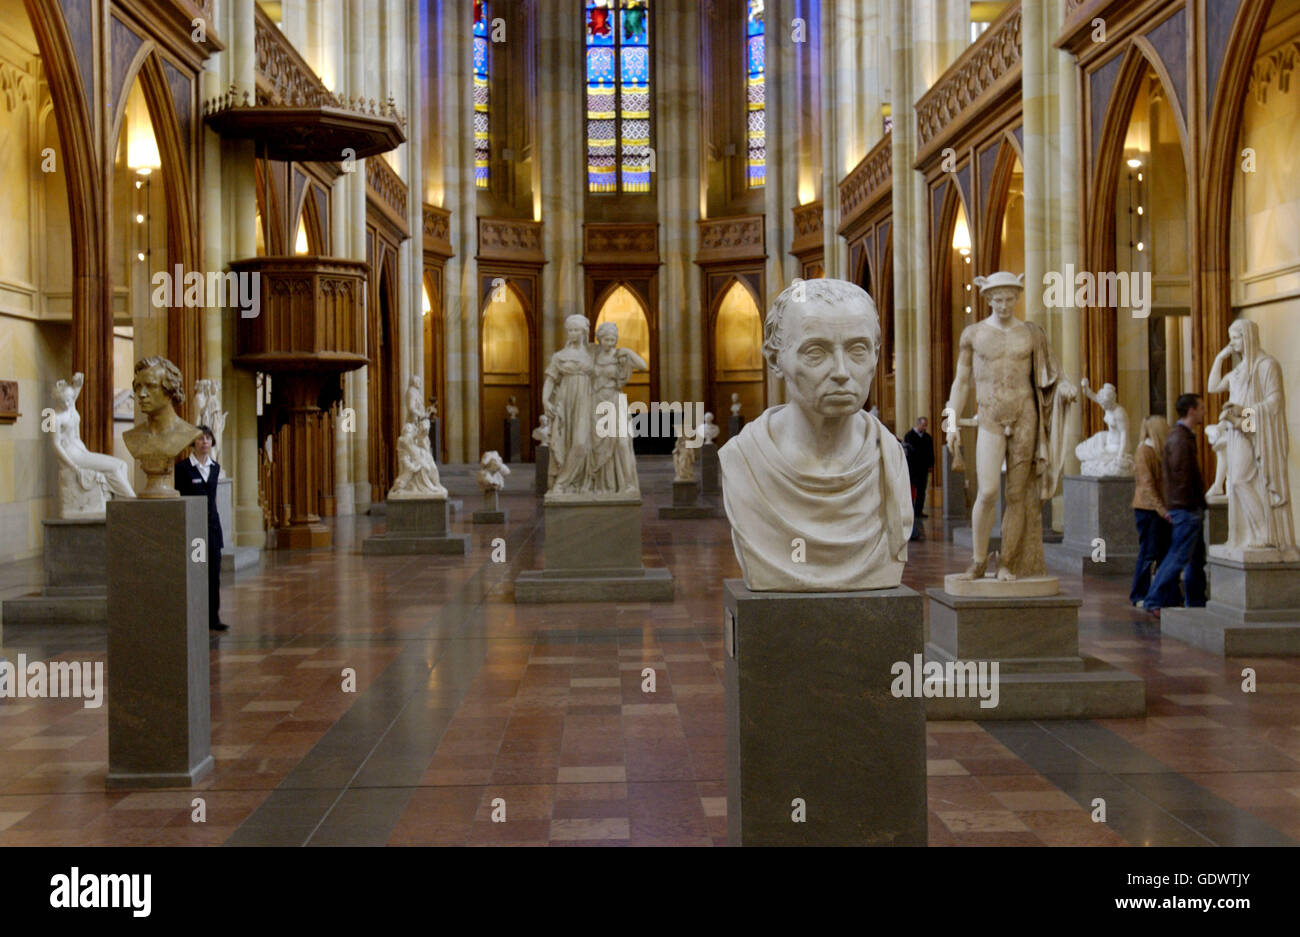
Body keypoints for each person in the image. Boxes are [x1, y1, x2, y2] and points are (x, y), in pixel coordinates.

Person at [718, 278, 912, 592]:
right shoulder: (744, 462)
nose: (841, 371)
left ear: (877, 355)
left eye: (858, 350)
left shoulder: (890, 459)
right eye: (815, 352)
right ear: (774, 358)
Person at [943, 272, 1077, 582]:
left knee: (1018, 495)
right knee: (988, 491)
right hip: (990, 416)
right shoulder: (973, 334)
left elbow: (1053, 372)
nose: (1004, 305)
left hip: (1026, 417)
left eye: (1010, 299)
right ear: (987, 299)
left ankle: (1008, 561)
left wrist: (1065, 388)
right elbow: (961, 382)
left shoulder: (1031, 335)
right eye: (998, 299)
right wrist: (951, 423)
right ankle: (978, 561)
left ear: (1017, 298)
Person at [1143, 394, 1207, 616]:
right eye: (1201, 408)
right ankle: (1153, 599)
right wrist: (1187, 505)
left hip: (1188, 507)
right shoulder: (1179, 439)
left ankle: (1196, 602)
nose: (1203, 412)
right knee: (1178, 556)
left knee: (1195, 559)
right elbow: (1181, 477)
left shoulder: (1183, 437)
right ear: (1191, 411)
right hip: (1186, 508)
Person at [174, 425, 229, 632]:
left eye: (207, 438)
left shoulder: (214, 468)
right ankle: (196, 616)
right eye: (200, 439)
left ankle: (213, 618)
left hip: (212, 529)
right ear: (193, 443)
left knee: (214, 573)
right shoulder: (182, 469)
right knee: (198, 571)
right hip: (195, 531)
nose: (204, 442)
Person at [1130, 415, 1171, 607]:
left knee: (1162, 552)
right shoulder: (1144, 451)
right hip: (1148, 509)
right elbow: (1147, 485)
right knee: (1148, 553)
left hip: (1158, 509)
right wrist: (1162, 510)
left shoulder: (1157, 451)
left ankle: (1161, 594)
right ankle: (1139, 594)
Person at [903, 417, 935, 541]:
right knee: (912, 491)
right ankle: (912, 511)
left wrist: (931, 465)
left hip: (923, 469)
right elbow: (907, 452)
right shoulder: (909, 436)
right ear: (918, 424)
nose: (925, 427)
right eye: (923, 425)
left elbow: (931, 452)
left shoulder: (927, 438)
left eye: (926, 425)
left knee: (922, 490)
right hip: (912, 469)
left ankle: (918, 511)